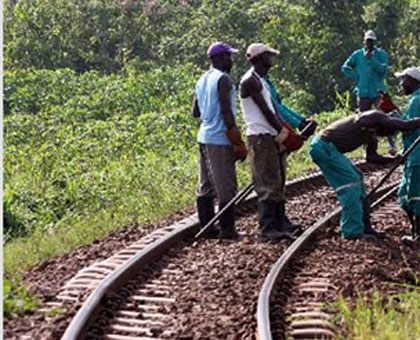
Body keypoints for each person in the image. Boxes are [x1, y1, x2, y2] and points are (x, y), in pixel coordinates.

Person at [309, 110, 420, 240]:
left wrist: (393, 159)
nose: (387, 135)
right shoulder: (374, 116)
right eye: (390, 130)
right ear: (387, 123)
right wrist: (403, 123)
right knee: (350, 183)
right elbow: (404, 125)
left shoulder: (372, 135)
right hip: (323, 146)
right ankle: (352, 231)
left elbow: (371, 157)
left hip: (328, 149)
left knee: (359, 179)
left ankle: (364, 226)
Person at [239, 43, 309, 240]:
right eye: (269, 56)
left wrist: (286, 130)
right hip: (260, 136)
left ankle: (281, 222)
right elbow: (265, 111)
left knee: (278, 180)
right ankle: (268, 227)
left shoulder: (262, 81)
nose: (272, 59)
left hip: (270, 135)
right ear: (260, 58)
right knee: (268, 182)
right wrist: (282, 132)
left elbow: (275, 109)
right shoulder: (250, 81)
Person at [192, 42, 247, 240]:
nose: (231, 60)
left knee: (206, 184)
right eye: (228, 56)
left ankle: (207, 227)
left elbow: (195, 111)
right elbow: (226, 112)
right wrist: (237, 141)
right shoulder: (223, 80)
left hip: (203, 136)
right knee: (226, 186)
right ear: (220, 58)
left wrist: (209, 114)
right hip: (220, 138)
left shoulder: (202, 79)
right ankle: (227, 230)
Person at [263, 75, 317, 230]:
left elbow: (280, 106)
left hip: (276, 132)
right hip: (266, 134)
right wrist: (297, 123)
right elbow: (274, 110)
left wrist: (301, 120)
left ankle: (280, 220)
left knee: (279, 178)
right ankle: (270, 224)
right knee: (271, 181)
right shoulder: (255, 81)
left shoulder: (267, 81)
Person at [341, 30, 397, 154]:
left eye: (372, 41)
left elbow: (383, 70)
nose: (369, 43)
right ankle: (369, 148)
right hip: (363, 91)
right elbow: (345, 67)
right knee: (364, 120)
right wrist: (357, 77)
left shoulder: (381, 54)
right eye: (367, 41)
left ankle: (392, 144)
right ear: (364, 42)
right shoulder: (357, 55)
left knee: (386, 117)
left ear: (375, 42)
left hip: (378, 91)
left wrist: (372, 60)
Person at [394, 67, 420, 244]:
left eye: (403, 80)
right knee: (404, 194)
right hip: (412, 156)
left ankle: (418, 237)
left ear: (413, 81)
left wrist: (385, 122)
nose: (401, 84)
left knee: (416, 197)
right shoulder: (415, 99)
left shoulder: (417, 101)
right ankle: (415, 231)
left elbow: (410, 125)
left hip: (417, 157)